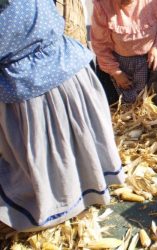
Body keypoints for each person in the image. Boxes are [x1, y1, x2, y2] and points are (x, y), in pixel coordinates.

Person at [0, 0, 125, 233]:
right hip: (41, 70)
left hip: (39, 73)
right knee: (68, 142)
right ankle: (80, 192)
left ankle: (64, 201)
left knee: (55, 145)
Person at [90, 0, 157, 103]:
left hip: (149, 61)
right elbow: (100, 44)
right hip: (116, 63)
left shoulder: (155, 2)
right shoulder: (103, 6)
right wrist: (116, 72)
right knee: (119, 107)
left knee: (150, 104)